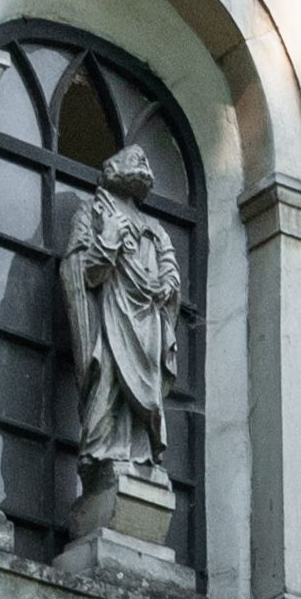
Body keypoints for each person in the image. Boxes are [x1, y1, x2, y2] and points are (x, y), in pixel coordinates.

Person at [58, 141, 182, 504]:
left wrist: (167, 284)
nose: (144, 161)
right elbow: (81, 271)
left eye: (146, 160)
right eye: (135, 159)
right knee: (108, 380)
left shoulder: (155, 228)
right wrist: (109, 240)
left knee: (145, 397)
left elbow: (170, 267)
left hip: (147, 323)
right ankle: (101, 456)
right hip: (110, 319)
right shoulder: (93, 211)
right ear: (114, 170)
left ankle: (141, 458)